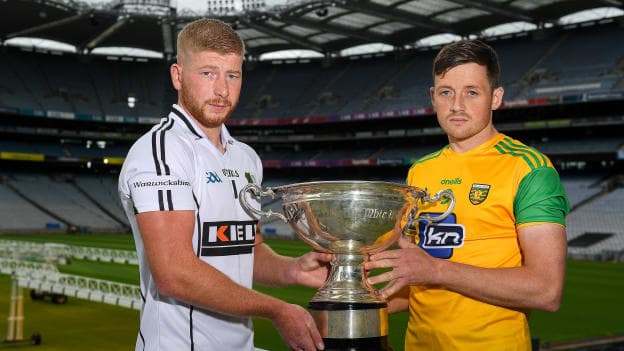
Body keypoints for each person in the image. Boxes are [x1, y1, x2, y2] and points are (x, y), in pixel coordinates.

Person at [118, 19, 331, 351]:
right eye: (207, 73)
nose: (221, 90)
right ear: (177, 76)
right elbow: (174, 273)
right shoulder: (159, 152)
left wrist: (293, 271)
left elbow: (248, 251)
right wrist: (275, 308)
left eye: (232, 75)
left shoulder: (245, 158)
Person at [364, 39, 570, 350]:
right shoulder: (420, 171)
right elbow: (419, 281)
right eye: (446, 92)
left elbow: (546, 290)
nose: (457, 105)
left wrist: (436, 269)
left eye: (472, 92)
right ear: (433, 98)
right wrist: (354, 297)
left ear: (496, 98)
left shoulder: (529, 169)